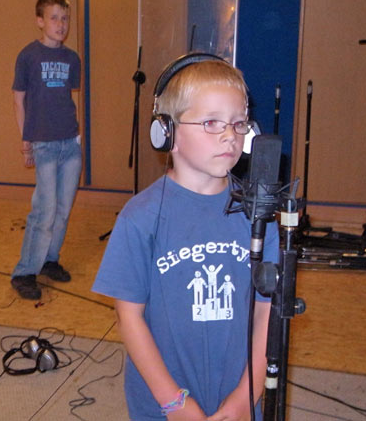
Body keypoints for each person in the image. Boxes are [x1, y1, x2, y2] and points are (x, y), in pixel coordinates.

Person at [92, 55, 278, 420]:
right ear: (166, 133)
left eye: (238, 123)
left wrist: (248, 394)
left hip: (239, 397)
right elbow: (129, 317)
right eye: (211, 122)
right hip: (163, 404)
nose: (229, 135)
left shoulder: (260, 217)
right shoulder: (139, 217)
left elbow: (267, 313)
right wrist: (173, 402)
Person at [10, 0, 82, 301]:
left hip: (70, 143)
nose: (61, 24)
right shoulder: (28, 56)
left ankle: (49, 259)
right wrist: (26, 140)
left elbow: (67, 97)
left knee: (63, 209)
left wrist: (77, 136)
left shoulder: (72, 59)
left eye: (65, 18)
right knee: (45, 209)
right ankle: (24, 271)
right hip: (44, 145)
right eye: (54, 18)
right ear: (40, 21)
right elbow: (19, 100)